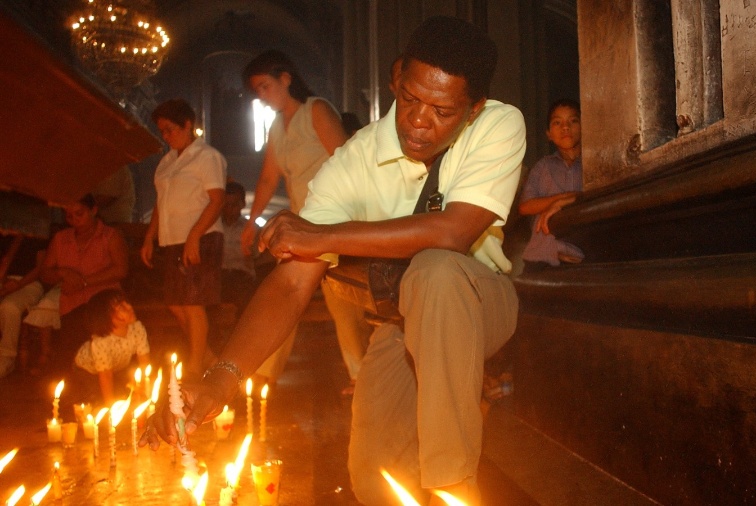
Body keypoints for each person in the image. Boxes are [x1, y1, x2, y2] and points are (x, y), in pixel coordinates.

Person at [142, 16, 525, 506]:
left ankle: (454, 486)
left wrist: (322, 234)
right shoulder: (356, 159)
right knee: (373, 476)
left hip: (479, 298)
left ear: (472, 110)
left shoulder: (498, 123)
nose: (418, 120)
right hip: (402, 319)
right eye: (409, 99)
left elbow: (453, 231)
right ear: (395, 78)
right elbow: (291, 283)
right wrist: (221, 379)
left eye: (442, 111)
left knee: (437, 270)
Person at [239, 49, 371, 389]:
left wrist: (349, 223)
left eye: (265, 86)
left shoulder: (316, 109)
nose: (262, 95)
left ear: (286, 79)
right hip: (300, 225)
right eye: (257, 90)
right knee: (285, 294)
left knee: (342, 302)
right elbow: (269, 178)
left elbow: (345, 160)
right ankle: (264, 375)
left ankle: (362, 377)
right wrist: (250, 224)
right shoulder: (277, 129)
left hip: (331, 221)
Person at [141, 98, 226, 379]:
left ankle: (194, 366)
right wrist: (150, 237)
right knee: (176, 302)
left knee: (192, 302)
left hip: (201, 237)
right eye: (162, 131)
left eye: (170, 129)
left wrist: (194, 236)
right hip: (172, 238)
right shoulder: (166, 162)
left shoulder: (207, 157)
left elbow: (216, 200)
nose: (166, 136)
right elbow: (161, 202)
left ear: (188, 125)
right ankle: (209, 358)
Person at [30, 194, 129, 374]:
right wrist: (62, 273)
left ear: (94, 210)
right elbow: (44, 272)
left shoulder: (110, 236)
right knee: (74, 350)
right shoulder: (61, 239)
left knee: (104, 348)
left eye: (79, 214)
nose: (74, 220)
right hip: (71, 303)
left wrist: (84, 282)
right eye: (69, 216)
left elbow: (121, 270)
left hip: (104, 303)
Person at [518, 98, 584, 272]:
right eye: (557, 122)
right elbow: (525, 206)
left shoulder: (593, 163)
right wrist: (559, 199)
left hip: (581, 254)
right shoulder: (543, 166)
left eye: (573, 121)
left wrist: (570, 200)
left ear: (584, 125)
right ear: (548, 133)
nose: (565, 127)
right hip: (541, 256)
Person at [68, 289, 150, 405]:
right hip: (88, 371)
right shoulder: (101, 342)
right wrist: (110, 405)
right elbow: (106, 376)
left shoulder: (137, 328)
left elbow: (144, 362)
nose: (129, 307)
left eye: (126, 302)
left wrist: (147, 391)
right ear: (105, 317)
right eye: (121, 307)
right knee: (98, 397)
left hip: (115, 367)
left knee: (127, 391)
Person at [0, 232, 47, 378]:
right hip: (4, 281)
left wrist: (19, 284)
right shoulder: (4, 236)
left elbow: (40, 269)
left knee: (9, 307)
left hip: (29, 283)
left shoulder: (37, 237)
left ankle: (6, 358)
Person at [220, 181, 257, 316]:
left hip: (242, 277)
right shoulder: (214, 228)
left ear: (242, 204)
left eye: (234, 205)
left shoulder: (249, 229)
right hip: (220, 277)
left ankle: (241, 333)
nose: (230, 209)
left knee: (247, 303)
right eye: (226, 205)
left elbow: (259, 258)